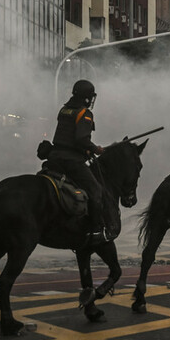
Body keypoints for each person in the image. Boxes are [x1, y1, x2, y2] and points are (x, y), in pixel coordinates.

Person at [45, 80, 106, 244]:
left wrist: (87, 150)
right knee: (96, 191)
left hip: (54, 158)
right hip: (71, 161)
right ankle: (95, 231)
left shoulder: (64, 110)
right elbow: (81, 139)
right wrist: (95, 149)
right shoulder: (84, 113)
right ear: (87, 97)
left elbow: (67, 137)